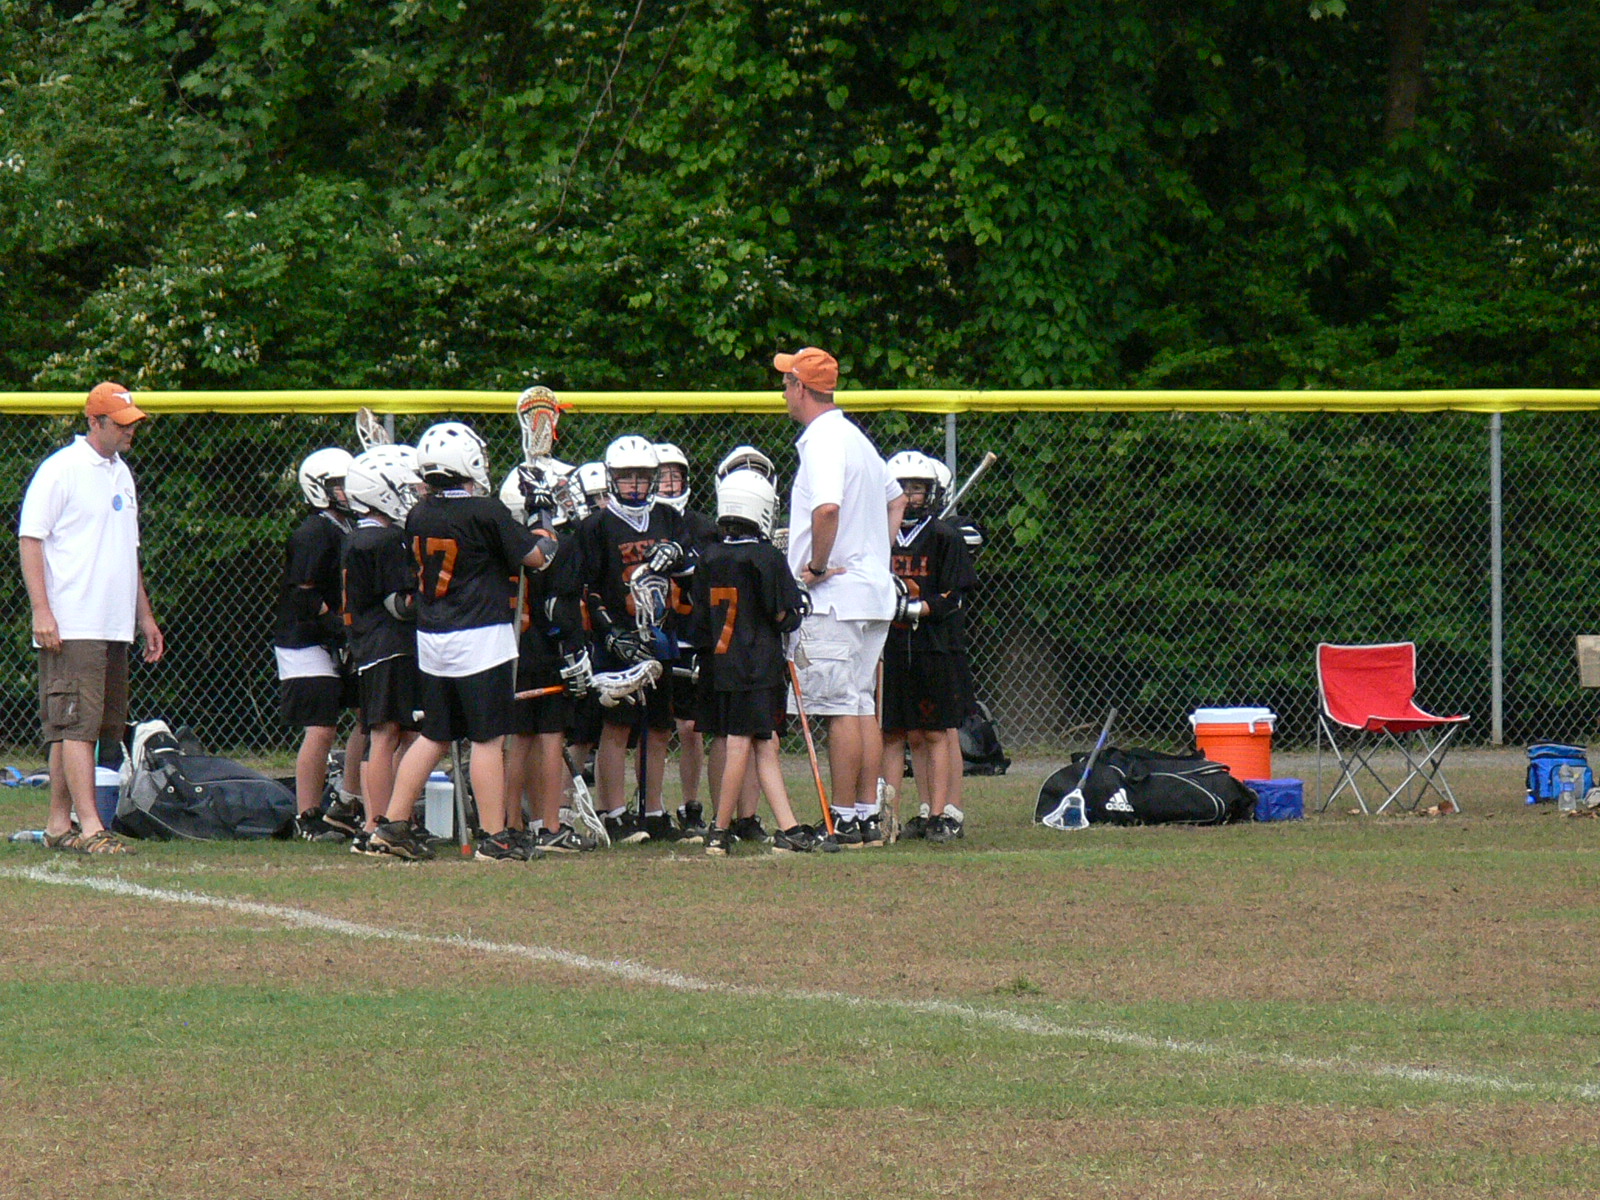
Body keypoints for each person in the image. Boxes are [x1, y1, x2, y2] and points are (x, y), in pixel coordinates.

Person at [368, 422, 555, 862]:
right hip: (480, 637)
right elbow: (538, 558)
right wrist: (543, 520)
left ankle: (392, 825)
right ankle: (496, 836)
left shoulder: (419, 513)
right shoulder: (484, 511)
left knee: (435, 734)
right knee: (488, 740)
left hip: (433, 636)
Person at [18, 381, 164, 854]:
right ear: (94, 422)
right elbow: (31, 539)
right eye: (121, 424)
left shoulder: (122, 474)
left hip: (112, 624)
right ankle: (90, 828)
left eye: (132, 424)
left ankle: (59, 824)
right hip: (74, 622)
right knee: (75, 726)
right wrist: (42, 610)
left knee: (89, 727)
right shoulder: (61, 469)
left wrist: (144, 617)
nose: (129, 432)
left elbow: (128, 552)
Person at [777, 346, 906, 847]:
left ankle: (847, 817)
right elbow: (896, 499)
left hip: (836, 597)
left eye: (787, 383)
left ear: (801, 388)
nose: (783, 392)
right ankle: (865, 814)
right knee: (860, 702)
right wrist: (875, 553)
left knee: (839, 708)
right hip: (871, 593)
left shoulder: (824, 439)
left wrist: (815, 565)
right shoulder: (855, 436)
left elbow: (827, 509)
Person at [570, 435, 697, 844]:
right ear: (612, 478)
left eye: (643, 477)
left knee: (658, 727)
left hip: (659, 633)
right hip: (619, 638)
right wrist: (610, 634)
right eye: (627, 477)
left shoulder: (668, 518)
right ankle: (615, 812)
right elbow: (588, 588)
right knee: (616, 726)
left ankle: (653, 810)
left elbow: (692, 569)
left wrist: (677, 554)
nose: (636, 485)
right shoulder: (596, 526)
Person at [693, 469, 820, 855]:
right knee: (740, 744)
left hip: (720, 664)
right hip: (755, 665)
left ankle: (789, 827)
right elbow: (781, 616)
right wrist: (798, 605)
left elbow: (700, 620)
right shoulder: (765, 557)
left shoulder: (709, 556)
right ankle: (719, 829)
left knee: (767, 742)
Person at [879, 451, 978, 844]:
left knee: (936, 730)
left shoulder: (944, 537)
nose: (908, 496)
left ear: (931, 492)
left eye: (916, 488)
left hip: (934, 645)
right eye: (901, 489)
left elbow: (954, 595)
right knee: (896, 732)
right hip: (890, 645)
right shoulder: (877, 534)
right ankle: (893, 815)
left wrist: (918, 607)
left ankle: (942, 813)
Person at [273, 446, 365, 841]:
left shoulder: (348, 527)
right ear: (318, 488)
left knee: (370, 716)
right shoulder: (313, 532)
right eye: (340, 485)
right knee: (322, 727)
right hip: (306, 638)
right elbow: (304, 593)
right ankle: (307, 814)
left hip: (336, 636)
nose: (348, 491)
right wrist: (336, 627)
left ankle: (349, 801)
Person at [339, 445, 425, 850]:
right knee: (387, 734)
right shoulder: (386, 540)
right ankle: (380, 823)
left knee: (393, 734)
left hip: (370, 645)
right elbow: (400, 604)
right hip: (389, 645)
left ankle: (386, 820)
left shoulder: (358, 537)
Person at [653, 442, 718, 838]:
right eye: (662, 476)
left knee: (692, 728)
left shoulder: (702, 527)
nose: (669, 483)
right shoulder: (644, 524)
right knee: (655, 728)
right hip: (654, 636)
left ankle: (691, 804)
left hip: (691, 637)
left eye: (675, 476)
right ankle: (651, 807)